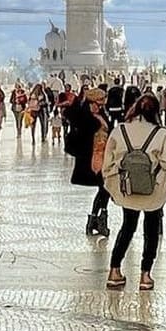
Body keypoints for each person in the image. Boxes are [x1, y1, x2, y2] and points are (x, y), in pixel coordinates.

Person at [102, 92, 166, 290]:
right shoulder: (161, 133)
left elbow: (108, 162)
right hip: (152, 191)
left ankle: (114, 270)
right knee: (151, 230)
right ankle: (145, 275)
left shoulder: (119, 130)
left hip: (128, 190)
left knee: (127, 227)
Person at [69, 86, 112, 237]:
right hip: (92, 157)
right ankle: (97, 219)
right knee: (103, 186)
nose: (100, 106)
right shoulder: (84, 117)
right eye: (98, 103)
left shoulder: (101, 114)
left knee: (105, 188)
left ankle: (97, 218)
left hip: (104, 155)